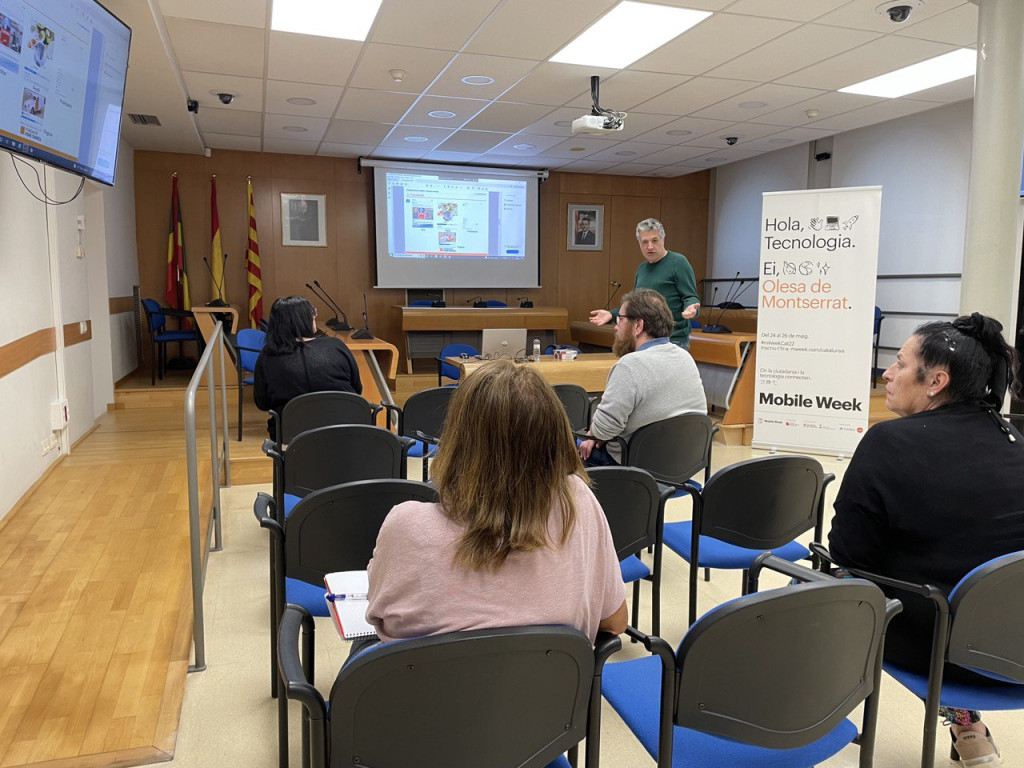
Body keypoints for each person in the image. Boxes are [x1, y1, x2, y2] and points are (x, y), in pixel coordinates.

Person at [828, 312, 1024, 768]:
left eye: (899, 363)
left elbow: (849, 558)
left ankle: (790, 719)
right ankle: (968, 728)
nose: (886, 373)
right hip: (1014, 645)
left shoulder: (887, 442)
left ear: (936, 380)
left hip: (936, 649)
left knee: (818, 583)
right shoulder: (1017, 440)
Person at [363, 359, 627, 652]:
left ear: (457, 440)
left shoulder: (407, 525)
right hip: (548, 695)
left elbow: (382, 618)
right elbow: (615, 622)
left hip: (430, 695)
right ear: (556, 436)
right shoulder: (577, 503)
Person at [579, 288, 706, 465]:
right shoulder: (685, 357)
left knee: (573, 444)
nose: (616, 327)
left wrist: (595, 433)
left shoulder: (629, 365)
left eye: (620, 320)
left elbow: (604, 428)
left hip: (637, 466)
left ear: (638, 325)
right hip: (684, 464)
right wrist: (603, 432)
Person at [253, 295, 361, 437]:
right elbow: (357, 389)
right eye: (313, 313)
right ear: (305, 319)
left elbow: (262, 403)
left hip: (293, 440)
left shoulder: (267, 356)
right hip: (349, 434)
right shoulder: (337, 346)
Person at [588, 217, 700, 349]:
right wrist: (612, 314)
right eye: (644, 242)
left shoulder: (678, 262)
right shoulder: (642, 268)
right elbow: (635, 305)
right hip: (644, 340)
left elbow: (690, 297)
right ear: (639, 244)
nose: (650, 246)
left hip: (672, 340)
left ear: (663, 239)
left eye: (654, 240)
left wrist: (691, 308)